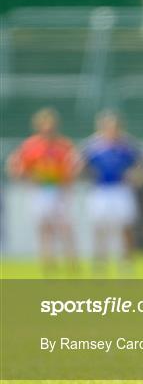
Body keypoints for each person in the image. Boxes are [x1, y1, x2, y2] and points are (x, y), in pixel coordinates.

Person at [6, 108, 79, 275]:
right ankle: (48, 266)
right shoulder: (31, 145)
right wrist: (25, 176)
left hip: (58, 190)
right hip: (40, 191)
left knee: (64, 228)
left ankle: (72, 264)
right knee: (44, 229)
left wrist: (67, 181)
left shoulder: (63, 145)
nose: (48, 128)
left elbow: (73, 166)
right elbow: (18, 166)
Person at [81, 111, 143, 273]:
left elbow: (142, 165)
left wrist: (136, 177)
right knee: (100, 228)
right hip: (101, 190)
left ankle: (126, 264)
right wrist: (87, 175)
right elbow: (80, 166)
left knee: (125, 227)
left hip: (121, 190)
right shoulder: (93, 147)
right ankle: (100, 264)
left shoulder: (126, 146)